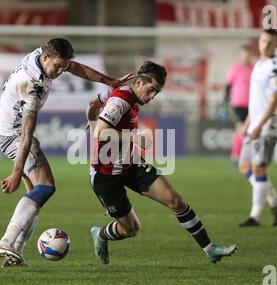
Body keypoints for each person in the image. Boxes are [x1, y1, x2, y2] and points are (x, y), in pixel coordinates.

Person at [0, 38, 133, 268]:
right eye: (57, 66)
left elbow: (75, 67)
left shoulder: (42, 54)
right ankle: (6, 242)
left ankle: (14, 251)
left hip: (8, 132)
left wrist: (110, 81)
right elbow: (26, 134)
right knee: (45, 186)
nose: (60, 71)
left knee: (35, 195)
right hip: (16, 136)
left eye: (63, 66)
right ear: (46, 58)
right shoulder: (33, 87)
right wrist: (17, 171)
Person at [86, 61, 238, 264]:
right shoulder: (120, 100)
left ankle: (210, 248)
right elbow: (101, 133)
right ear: (139, 82)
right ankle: (101, 234)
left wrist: (91, 118)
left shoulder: (124, 93)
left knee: (175, 200)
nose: (152, 97)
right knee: (131, 229)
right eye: (151, 90)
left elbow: (92, 104)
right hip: (106, 175)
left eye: (156, 92)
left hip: (130, 164)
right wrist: (133, 137)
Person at [238, 29, 277, 228]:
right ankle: (276, 202)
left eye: (270, 42)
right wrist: (248, 123)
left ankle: (255, 216)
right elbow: (256, 100)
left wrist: (259, 125)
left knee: (259, 168)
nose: (266, 45)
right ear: (259, 41)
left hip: (267, 127)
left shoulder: (275, 68)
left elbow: (275, 100)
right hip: (255, 125)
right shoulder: (258, 64)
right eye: (263, 41)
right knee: (244, 167)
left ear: (276, 45)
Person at [223, 45, 254, 168]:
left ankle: (242, 157)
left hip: (252, 105)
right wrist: (225, 101)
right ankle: (237, 157)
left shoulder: (254, 68)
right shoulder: (235, 69)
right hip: (238, 104)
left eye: (248, 55)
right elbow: (228, 86)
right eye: (243, 55)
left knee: (248, 132)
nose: (245, 57)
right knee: (241, 130)